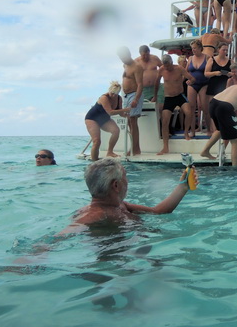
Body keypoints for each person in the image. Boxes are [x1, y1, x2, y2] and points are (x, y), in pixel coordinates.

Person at [62, 158, 198, 231]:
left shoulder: (121, 206)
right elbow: (63, 235)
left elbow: (157, 211)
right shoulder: (95, 215)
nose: (127, 181)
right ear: (116, 185)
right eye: (125, 177)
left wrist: (183, 187)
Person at [154, 54, 196, 153]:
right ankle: (165, 147)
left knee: (188, 112)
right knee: (165, 121)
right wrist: (155, 96)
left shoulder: (179, 68)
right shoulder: (161, 69)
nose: (167, 68)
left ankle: (186, 132)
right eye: (165, 66)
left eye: (168, 66)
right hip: (168, 98)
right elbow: (157, 83)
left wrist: (190, 82)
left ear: (172, 63)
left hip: (179, 96)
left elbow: (192, 79)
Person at [84, 81, 131, 161]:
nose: (113, 95)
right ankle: (94, 161)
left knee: (116, 131)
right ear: (109, 90)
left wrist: (128, 115)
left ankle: (110, 152)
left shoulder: (119, 98)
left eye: (115, 94)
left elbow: (120, 113)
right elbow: (110, 112)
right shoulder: (104, 98)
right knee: (97, 141)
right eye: (112, 93)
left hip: (104, 120)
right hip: (92, 119)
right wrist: (125, 109)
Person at [117, 46, 144, 156]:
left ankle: (135, 149)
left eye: (123, 57)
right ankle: (134, 147)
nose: (122, 59)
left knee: (133, 121)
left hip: (134, 94)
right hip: (126, 95)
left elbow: (140, 84)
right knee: (128, 121)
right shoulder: (125, 65)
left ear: (128, 54)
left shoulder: (137, 66)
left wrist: (136, 99)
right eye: (120, 57)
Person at [204, 42, 231, 132]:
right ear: (218, 50)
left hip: (225, 87)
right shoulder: (212, 60)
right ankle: (214, 130)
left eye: (226, 50)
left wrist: (229, 74)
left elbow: (235, 73)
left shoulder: (230, 61)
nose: (225, 52)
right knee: (213, 109)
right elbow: (206, 73)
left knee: (223, 109)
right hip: (214, 86)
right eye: (223, 50)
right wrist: (215, 73)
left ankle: (222, 129)